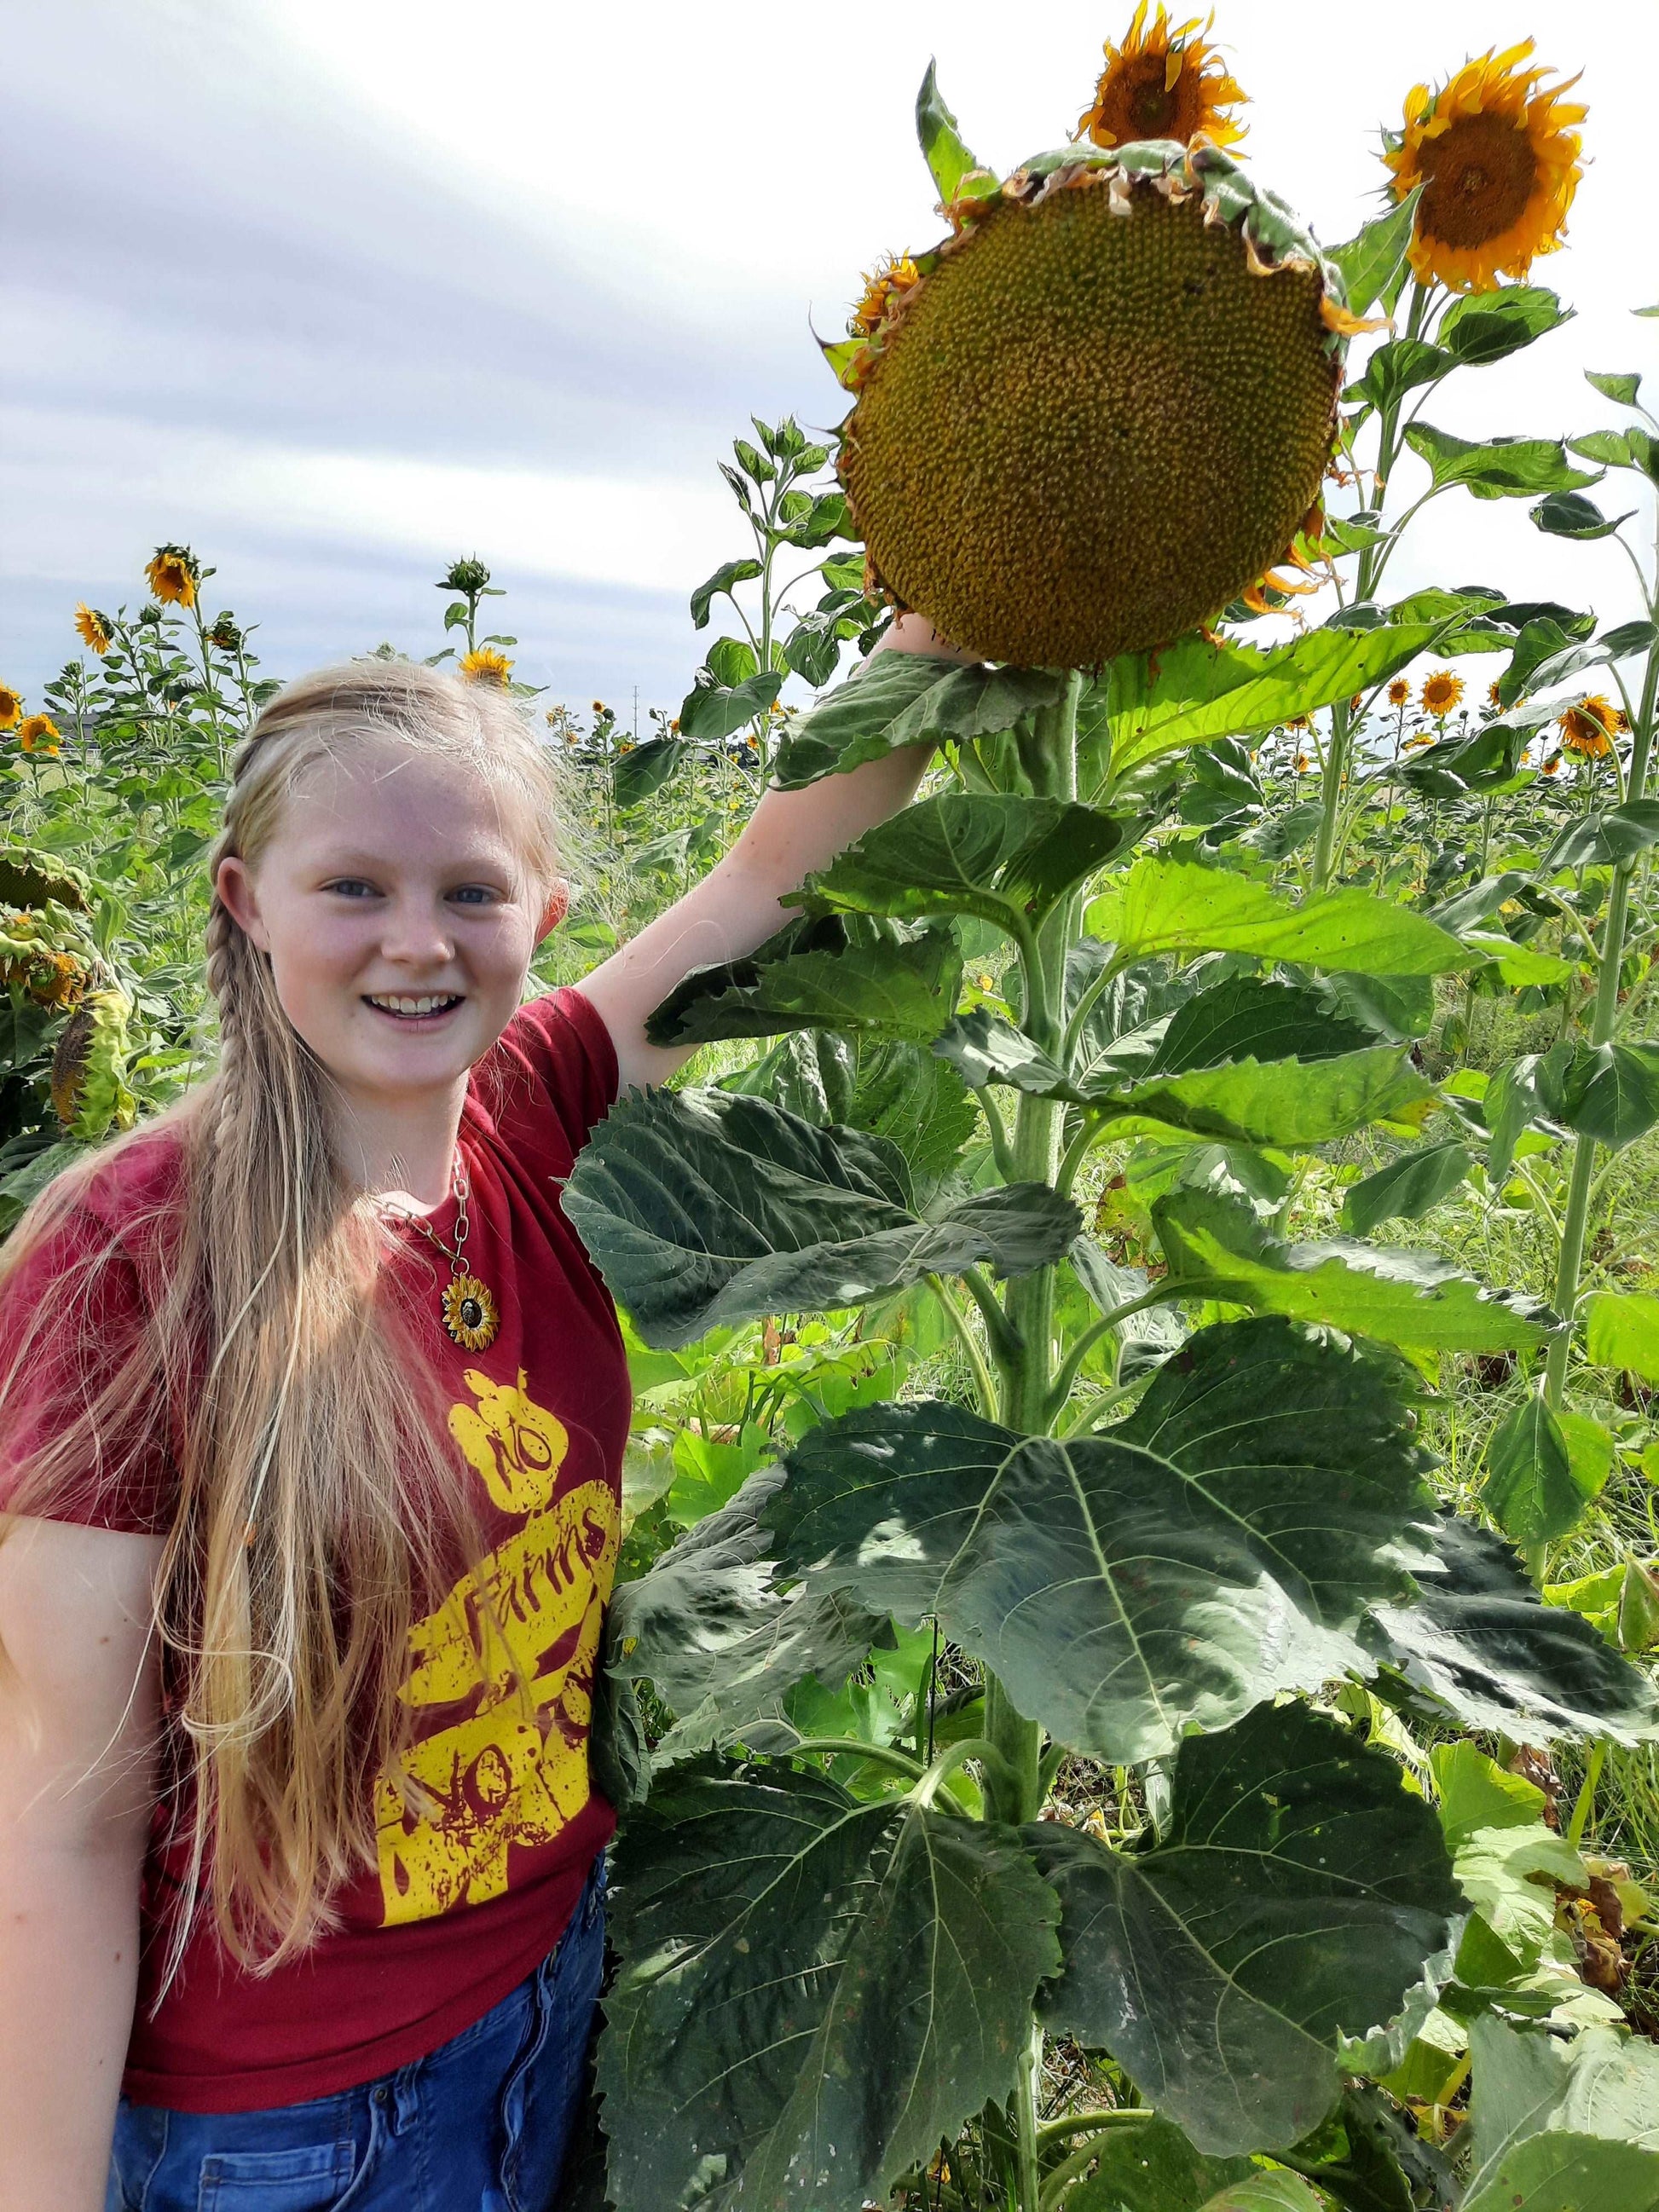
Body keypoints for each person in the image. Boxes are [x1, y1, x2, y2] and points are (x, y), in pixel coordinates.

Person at [0, 614, 972, 2212]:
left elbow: (770, 875)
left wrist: (955, 601)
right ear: (249, 906)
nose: (416, 941)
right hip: (291, 2121)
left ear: (543, 918)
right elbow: (58, 1816)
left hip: (551, 1997)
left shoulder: (519, 1117)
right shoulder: (143, 1259)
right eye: (353, 888)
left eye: (469, 891)